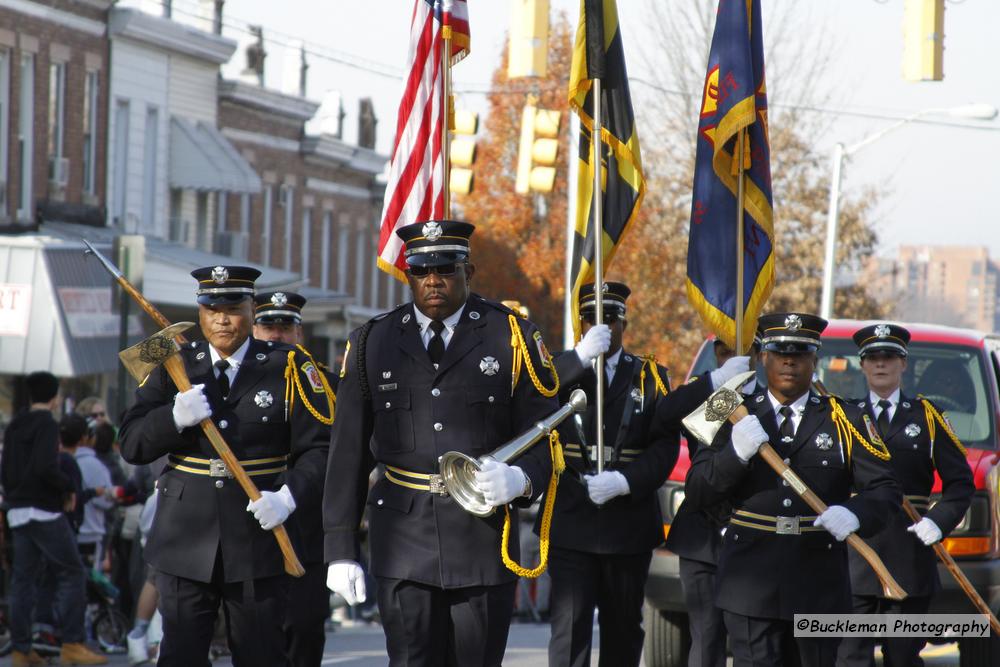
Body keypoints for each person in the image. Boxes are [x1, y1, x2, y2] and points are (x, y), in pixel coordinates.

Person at [324, 220, 559, 666]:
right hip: (401, 537)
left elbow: (546, 433)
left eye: (446, 269)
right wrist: (339, 549)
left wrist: (521, 477)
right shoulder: (372, 342)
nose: (433, 281)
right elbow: (348, 454)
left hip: (482, 536)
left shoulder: (511, 336)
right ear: (407, 274)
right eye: (420, 271)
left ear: (468, 270)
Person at [119, 265, 331, 666]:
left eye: (232, 308)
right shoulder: (172, 362)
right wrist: (173, 419)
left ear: (252, 309)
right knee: (180, 655)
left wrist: (288, 496)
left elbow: (319, 450)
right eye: (210, 308)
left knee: (260, 655)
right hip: (184, 535)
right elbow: (131, 443)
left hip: (257, 536)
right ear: (199, 312)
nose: (221, 319)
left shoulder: (288, 366)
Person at [541, 281, 750, 667]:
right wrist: (578, 359)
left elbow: (668, 441)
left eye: (610, 318)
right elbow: (533, 399)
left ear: (625, 323)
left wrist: (626, 481)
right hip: (572, 518)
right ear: (581, 324)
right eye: (591, 318)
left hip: (627, 524)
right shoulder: (560, 371)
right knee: (568, 631)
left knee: (623, 630)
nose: (600, 326)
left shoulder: (649, 377)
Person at [684, 313, 901, 667]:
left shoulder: (846, 419)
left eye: (800, 353)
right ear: (763, 358)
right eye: (780, 352)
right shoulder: (725, 410)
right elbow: (697, 492)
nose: (789, 361)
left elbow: (885, 488)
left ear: (815, 361)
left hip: (818, 580)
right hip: (748, 580)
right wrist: (734, 454)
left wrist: (855, 513)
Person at [836, 324, 974, 667]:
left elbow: (961, 484)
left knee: (903, 657)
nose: (880, 364)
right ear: (862, 365)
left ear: (904, 364)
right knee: (850, 657)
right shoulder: (843, 416)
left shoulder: (928, 417)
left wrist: (939, 521)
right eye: (872, 357)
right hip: (856, 554)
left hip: (909, 554)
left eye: (889, 356)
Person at [666, 331, 761, 667]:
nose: (733, 358)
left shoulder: (770, 403)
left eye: (745, 351)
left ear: (759, 356)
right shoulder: (713, 402)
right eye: (723, 352)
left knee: (752, 640)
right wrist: (720, 387)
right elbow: (701, 466)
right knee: (706, 638)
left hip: (752, 538)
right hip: (704, 537)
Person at [253, 289, 337, 667]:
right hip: (249, 528)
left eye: (285, 326)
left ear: (299, 333)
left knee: (304, 631)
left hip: (306, 529)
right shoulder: (228, 383)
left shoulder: (329, 385)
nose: (276, 334)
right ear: (253, 329)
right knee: (258, 638)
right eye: (267, 325)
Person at [1, 371, 108, 665]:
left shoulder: (15, 424)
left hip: (17, 510)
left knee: (22, 580)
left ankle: (21, 649)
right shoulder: (47, 423)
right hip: (44, 510)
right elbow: (45, 466)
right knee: (72, 572)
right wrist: (68, 486)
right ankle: (72, 643)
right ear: (54, 397)